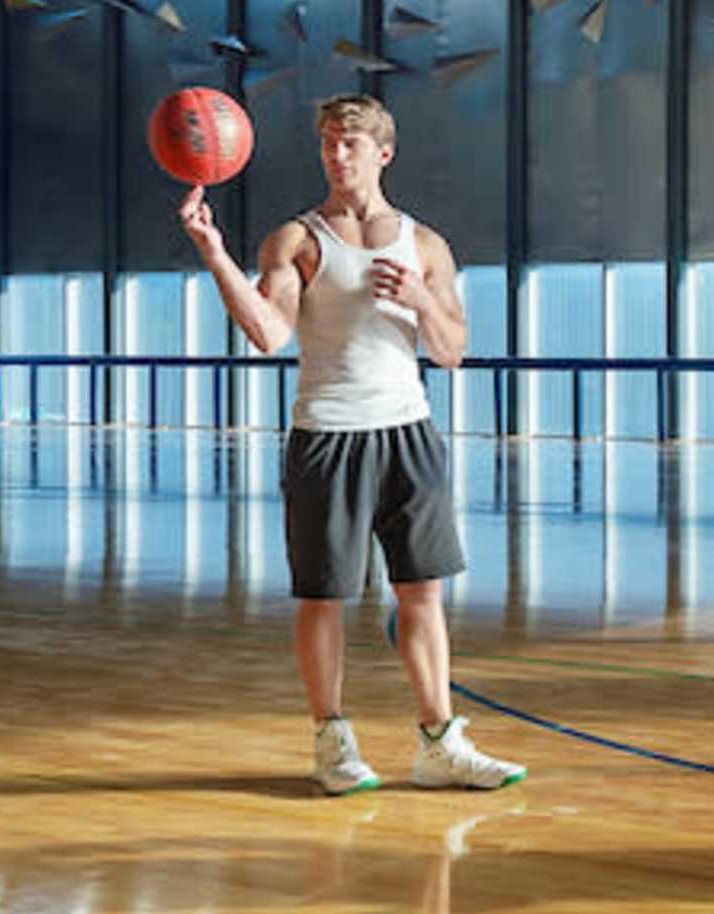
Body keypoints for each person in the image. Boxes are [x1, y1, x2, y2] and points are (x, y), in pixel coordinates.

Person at [183, 93, 525, 796]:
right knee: (325, 597)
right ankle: (331, 741)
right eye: (329, 144)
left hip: (409, 432)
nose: (338, 156)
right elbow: (269, 334)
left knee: (422, 593)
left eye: (352, 144)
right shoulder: (297, 240)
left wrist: (421, 300)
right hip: (327, 436)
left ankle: (440, 744)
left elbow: (453, 351)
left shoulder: (425, 246)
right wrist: (215, 255)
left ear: (383, 153)